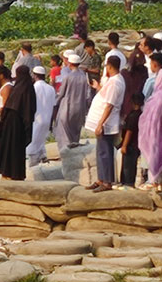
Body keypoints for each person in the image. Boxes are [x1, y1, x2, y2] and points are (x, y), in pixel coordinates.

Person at [84, 56, 125, 192]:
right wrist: (98, 87)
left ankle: (107, 181)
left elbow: (109, 105)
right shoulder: (112, 81)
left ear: (109, 66)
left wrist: (100, 123)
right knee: (101, 151)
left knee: (105, 152)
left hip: (107, 123)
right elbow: (106, 96)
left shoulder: (115, 82)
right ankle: (101, 178)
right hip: (103, 121)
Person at [138, 53, 162, 191]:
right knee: (159, 149)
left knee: (153, 149)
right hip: (161, 127)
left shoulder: (159, 95)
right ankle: (156, 180)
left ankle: (153, 180)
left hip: (155, 128)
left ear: (155, 64)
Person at [0, 65, 36, 180]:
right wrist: (28, 124)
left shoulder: (16, 88)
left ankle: (7, 172)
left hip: (10, 121)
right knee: (17, 149)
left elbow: (9, 105)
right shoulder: (28, 88)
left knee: (9, 147)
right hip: (19, 122)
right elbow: (29, 108)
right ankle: (16, 173)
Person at [53, 54, 90, 151]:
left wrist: (55, 102)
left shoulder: (68, 77)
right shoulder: (84, 76)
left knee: (64, 130)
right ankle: (75, 149)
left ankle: (66, 151)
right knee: (76, 130)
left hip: (68, 107)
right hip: (80, 107)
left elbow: (62, 93)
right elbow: (88, 95)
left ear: (70, 63)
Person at [27, 66, 56, 167]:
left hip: (36, 120)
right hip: (47, 120)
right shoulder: (51, 89)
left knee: (32, 144)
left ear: (34, 76)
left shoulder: (34, 88)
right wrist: (52, 122)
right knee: (41, 143)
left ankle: (32, 166)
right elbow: (54, 106)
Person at [119, 92, 143, 188]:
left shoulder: (133, 116)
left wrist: (124, 145)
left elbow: (129, 131)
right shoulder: (140, 114)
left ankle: (128, 184)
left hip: (130, 145)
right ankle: (129, 183)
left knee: (128, 166)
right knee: (131, 166)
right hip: (136, 144)